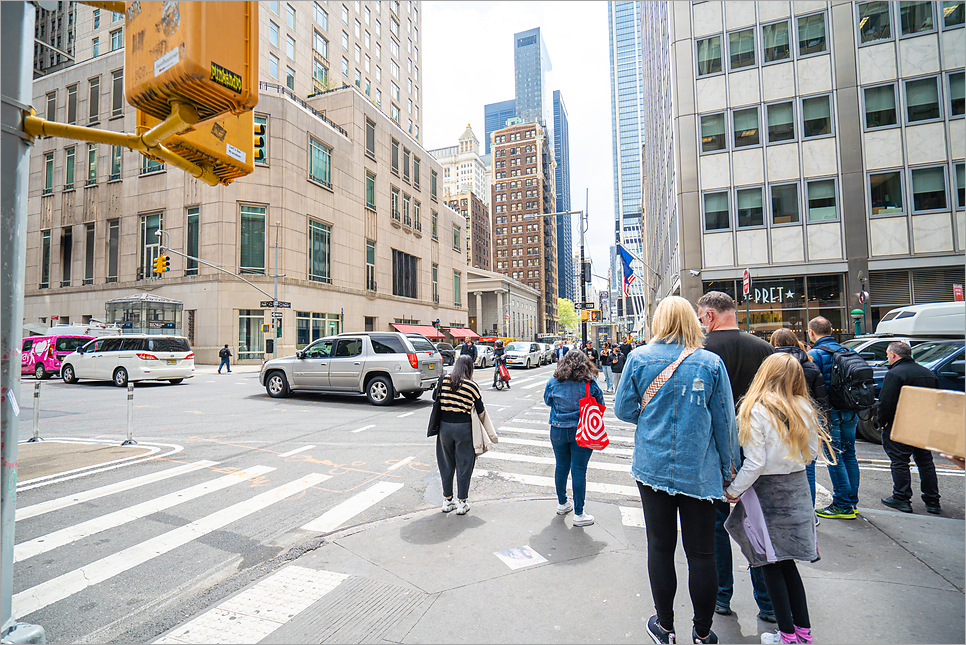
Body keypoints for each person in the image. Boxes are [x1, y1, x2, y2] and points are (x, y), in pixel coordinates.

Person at [616, 296, 740, 645]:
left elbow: (623, 410)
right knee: (702, 553)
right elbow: (724, 422)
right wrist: (731, 470)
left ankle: (665, 626)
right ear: (692, 320)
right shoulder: (710, 363)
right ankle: (702, 632)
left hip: (652, 467)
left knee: (660, 547)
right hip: (699, 470)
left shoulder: (639, 359)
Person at [724, 353, 834, 645]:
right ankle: (802, 634)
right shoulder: (804, 407)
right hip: (797, 490)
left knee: (769, 563)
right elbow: (810, 454)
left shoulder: (754, 409)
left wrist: (733, 490)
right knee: (789, 565)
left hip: (766, 494)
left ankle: (786, 635)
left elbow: (755, 462)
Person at [696, 291, 776, 623]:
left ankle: (721, 596)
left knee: (715, 527)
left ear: (710, 316)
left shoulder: (702, 352)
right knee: (756, 524)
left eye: (701, 318)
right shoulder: (765, 349)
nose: (701, 324)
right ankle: (768, 604)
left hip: (714, 448)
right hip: (757, 445)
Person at [877, 341, 942, 514]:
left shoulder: (895, 374)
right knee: (925, 462)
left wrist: (882, 422)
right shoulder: (928, 373)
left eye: (887, 355)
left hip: (900, 423)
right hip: (923, 423)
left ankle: (901, 498)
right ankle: (932, 501)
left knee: (899, 461)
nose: (887, 358)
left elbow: (886, 402)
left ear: (893, 355)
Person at [770, 328, 830, 511]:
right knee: (808, 469)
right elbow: (821, 398)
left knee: (777, 466)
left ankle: (782, 511)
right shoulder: (810, 364)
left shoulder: (770, 363)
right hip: (806, 418)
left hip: (777, 418)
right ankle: (808, 512)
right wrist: (824, 422)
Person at [807, 316, 860, 520]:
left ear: (812, 333)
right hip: (851, 410)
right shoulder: (848, 351)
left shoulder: (816, 354)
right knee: (849, 454)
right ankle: (852, 502)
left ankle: (842, 505)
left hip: (830, 413)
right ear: (830, 330)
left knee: (834, 456)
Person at [543, 350, 603, 527]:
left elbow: (548, 401)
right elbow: (600, 404)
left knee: (561, 466)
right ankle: (579, 513)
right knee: (579, 470)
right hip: (582, 431)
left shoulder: (553, 381)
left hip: (558, 429)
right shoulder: (588, 383)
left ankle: (562, 503)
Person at [435, 355, 485, 515]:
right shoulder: (472, 386)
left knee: (445, 464)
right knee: (464, 465)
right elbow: (481, 409)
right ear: (470, 368)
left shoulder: (443, 380)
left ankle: (447, 500)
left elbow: (434, 398)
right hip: (464, 429)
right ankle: (462, 502)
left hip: (444, 428)